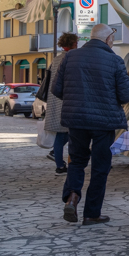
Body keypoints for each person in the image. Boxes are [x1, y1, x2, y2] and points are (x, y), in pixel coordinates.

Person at [52, 23, 129, 224]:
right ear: (107, 39)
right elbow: (125, 95)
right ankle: (91, 213)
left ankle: (72, 197)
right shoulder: (115, 61)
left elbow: (56, 89)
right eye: (112, 39)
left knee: (76, 161)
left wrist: (76, 99)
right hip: (104, 122)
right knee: (100, 167)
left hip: (76, 119)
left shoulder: (70, 57)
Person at [39, 33, 79, 174]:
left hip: (54, 98)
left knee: (62, 132)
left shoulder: (56, 59)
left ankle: (59, 163)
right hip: (67, 98)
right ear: (74, 43)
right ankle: (61, 162)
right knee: (70, 131)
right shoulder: (72, 58)